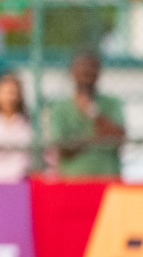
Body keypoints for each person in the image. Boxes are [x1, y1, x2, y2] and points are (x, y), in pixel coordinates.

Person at [46, 49, 126, 179]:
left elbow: (120, 138)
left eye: (91, 68)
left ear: (99, 72)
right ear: (72, 72)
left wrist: (93, 112)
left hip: (108, 181)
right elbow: (62, 147)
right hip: (72, 182)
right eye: (81, 67)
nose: (86, 72)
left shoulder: (112, 103)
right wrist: (96, 139)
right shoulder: (59, 108)